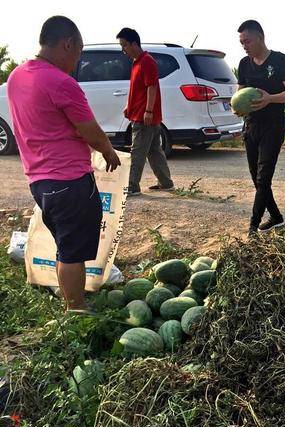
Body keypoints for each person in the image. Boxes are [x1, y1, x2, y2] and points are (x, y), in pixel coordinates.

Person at [7, 16, 121, 312]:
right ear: (67, 44)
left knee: (64, 245)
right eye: (78, 53)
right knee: (72, 253)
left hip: (40, 182)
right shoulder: (61, 82)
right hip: (70, 182)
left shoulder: (17, 76)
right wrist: (108, 150)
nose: (77, 61)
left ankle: (71, 296)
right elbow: (90, 130)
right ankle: (76, 310)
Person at [236, 20, 285, 235]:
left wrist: (270, 98)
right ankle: (277, 217)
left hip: (273, 126)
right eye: (242, 42)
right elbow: (240, 93)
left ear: (260, 37)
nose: (244, 45)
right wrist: (239, 108)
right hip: (251, 126)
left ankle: (252, 227)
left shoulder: (280, 60)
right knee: (256, 177)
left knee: (264, 177)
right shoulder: (244, 64)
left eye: (248, 41)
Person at [117, 27, 174, 195]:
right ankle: (166, 182)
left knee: (137, 151)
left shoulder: (147, 61)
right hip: (141, 114)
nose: (123, 50)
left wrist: (148, 111)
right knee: (154, 150)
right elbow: (138, 89)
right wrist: (130, 106)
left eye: (125, 45)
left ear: (134, 43)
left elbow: (152, 86)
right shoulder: (137, 62)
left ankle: (132, 186)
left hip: (145, 117)